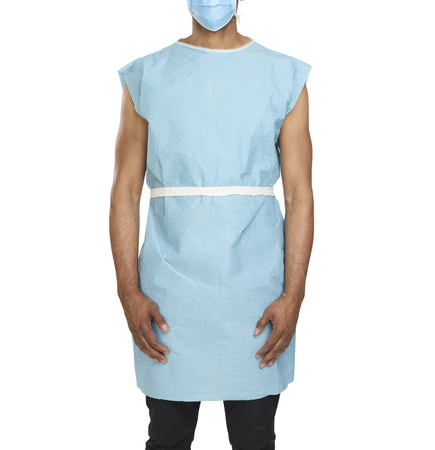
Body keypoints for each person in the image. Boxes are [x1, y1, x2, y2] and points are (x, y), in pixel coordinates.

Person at [109, 0, 314, 448]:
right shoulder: (146, 76)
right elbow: (125, 190)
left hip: (256, 299)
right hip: (169, 300)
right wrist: (128, 291)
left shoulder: (284, 76)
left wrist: (293, 295)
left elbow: (299, 194)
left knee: (255, 439)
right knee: (167, 439)